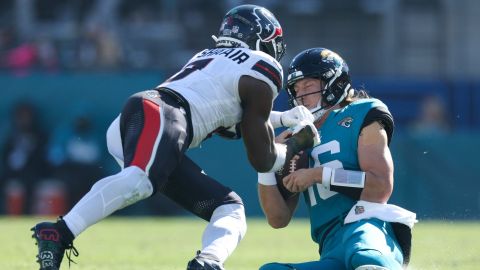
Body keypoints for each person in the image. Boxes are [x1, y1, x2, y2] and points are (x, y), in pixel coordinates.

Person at [31, 5, 317, 270]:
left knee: (229, 209)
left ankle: (207, 262)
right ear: (265, 38)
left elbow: (231, 121)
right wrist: (294, 146)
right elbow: (262, 159)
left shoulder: (209, 56)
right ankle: (59, 232)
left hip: (146, 119)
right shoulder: (262, 67)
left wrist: (281, 119)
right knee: (140, 181)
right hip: (163, 115)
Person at [257, 48, 417, 270]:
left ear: (334, 83)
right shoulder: (296, 137)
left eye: (308, 85)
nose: (300, 95)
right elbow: (278, 219)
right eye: (296, 88)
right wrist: (266, 163)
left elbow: (380, 187)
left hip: (367, 227)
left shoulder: (363, 113)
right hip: (330, 247)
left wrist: (317, 175)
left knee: (365, 257)